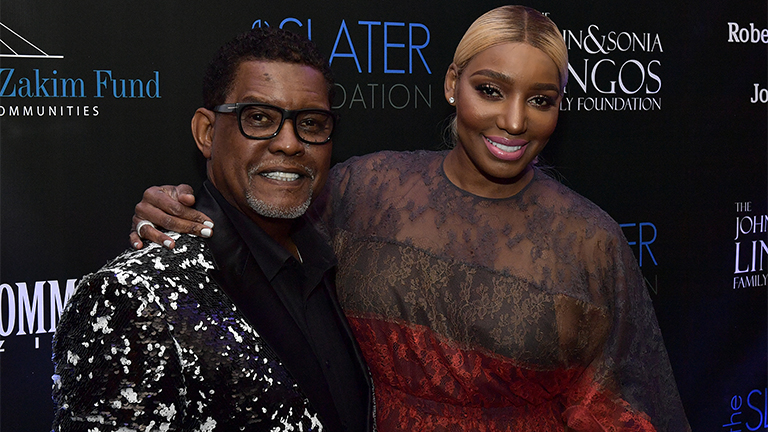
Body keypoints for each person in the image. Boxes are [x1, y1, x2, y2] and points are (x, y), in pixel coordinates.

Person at [129, 6, 690, 431]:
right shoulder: (361, 188)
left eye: (541, 100)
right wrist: (177, 208)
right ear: (451, 85)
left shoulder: (590, 240)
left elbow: (626, 409)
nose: (515, 121)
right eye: (490, 90)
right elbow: (255, 229)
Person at [52, 27, 373, 432]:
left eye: (310, 123)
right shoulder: (133, 295)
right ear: (207, 133)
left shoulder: (338, 255)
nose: (290, 144)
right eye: (259, 118)